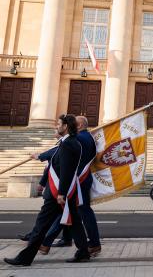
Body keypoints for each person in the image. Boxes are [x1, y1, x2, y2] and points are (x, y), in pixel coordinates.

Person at [4, 114, 90, 266]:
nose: (56, 126)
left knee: (41, 225)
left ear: (65, 127)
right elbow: (54, 156)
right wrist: (40, 156)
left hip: (58, 193)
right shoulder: (67, 143)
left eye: (59, 124)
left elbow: (66, 171)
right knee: (75, 222)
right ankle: (83, 251)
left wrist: (61, 193)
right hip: (63, 192)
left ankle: (25, 258)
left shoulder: (68, 144)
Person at [36, 116, 100, 256]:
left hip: (77, 180)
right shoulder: (87, 137)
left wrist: (40, 155)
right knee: (73, 211)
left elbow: (58, 152)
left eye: (73, 123)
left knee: (75, 211)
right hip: (81, 179)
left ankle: (46, 242)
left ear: (79, 125)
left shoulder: (78, 138)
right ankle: (62, 241)